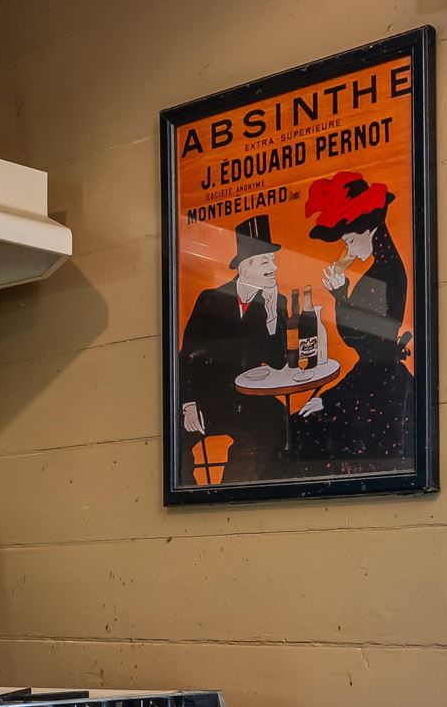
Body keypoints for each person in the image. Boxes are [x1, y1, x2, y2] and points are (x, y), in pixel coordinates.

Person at [294, 170, 414, 469]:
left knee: (302, 430)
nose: (347, 248)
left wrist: (340, 295)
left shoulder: (383, 274)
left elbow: (362, 340)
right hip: (374, 380)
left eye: (349, 239)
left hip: (378, 388)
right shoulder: (383, 268)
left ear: (369, 232)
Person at [177, 215, 305, 483]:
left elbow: (278, 361)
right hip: (206, 397)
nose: (274, 267)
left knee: (279, 427)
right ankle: (192, 495)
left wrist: (272, 316)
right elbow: (186, 356)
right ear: (245, 268)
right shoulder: (211, 299)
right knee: (174, 439)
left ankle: (235, 491)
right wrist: (188, 402)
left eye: (273, 260)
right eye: (265, 261)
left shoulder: (276, 302)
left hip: (246, 399)